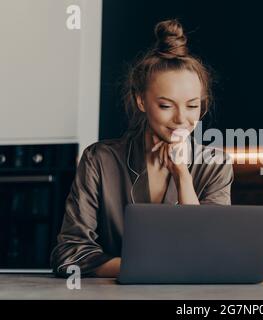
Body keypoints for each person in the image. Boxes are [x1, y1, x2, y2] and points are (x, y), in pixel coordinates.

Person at [50, 19, 233, 278]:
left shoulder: (216, 164)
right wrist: (147, 269)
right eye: (166, 106)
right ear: (141, 101)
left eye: (192, 106)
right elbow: (69, 255)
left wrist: (182, 175)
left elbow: (208, 252)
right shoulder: (99, 160)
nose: (182, 119)